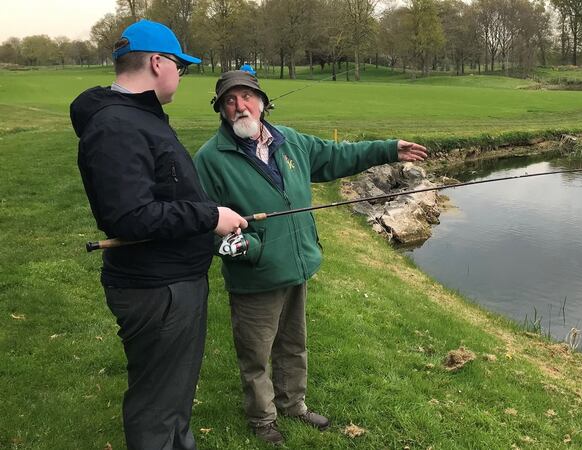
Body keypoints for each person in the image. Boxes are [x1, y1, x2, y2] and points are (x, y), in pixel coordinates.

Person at [193, 71, 427, 445]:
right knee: (256, 353)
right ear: (221, 110)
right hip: (255, 275)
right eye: (230, 101)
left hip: (296, 264)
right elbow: (204, 219)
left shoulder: (291, 142)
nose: (240, 107)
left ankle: (293, 404)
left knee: (293, 342)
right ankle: (262, 419)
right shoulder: (209, 158)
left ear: (262, 102)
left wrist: (388, 149)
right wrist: (251, 248)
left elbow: (338, 155)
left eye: (247, 97)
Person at [69, 20, 248, 450]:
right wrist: (210, 217)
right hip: (158, 290)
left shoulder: (138, 117)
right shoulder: (117, 126)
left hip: (174, 280)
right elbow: (132, 216)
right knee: (156, 405)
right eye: (179, 67)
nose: (179, 77)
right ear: (156, 62)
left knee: (173, 396)